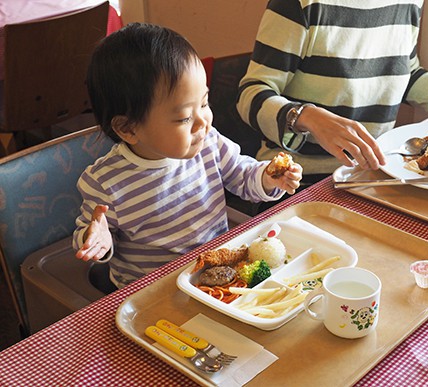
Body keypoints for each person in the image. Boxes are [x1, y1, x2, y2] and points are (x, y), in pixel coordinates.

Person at [73, 23, 303, 288]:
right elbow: (88, 234)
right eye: (184, 117)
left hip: (216, 275)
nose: (202, 122)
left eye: (204, 103)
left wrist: (268, 179)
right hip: (152, 291)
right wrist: (96, 240)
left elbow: (242, 174)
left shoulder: (208, 143)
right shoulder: (105, 183)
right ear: (128, 128)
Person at [236, 0, 428, 177]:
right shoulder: (300, 4)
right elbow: (251, 92)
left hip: (376, 173)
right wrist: (308, 117)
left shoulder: (410, 3)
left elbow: (403, 75)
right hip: (297, 179)